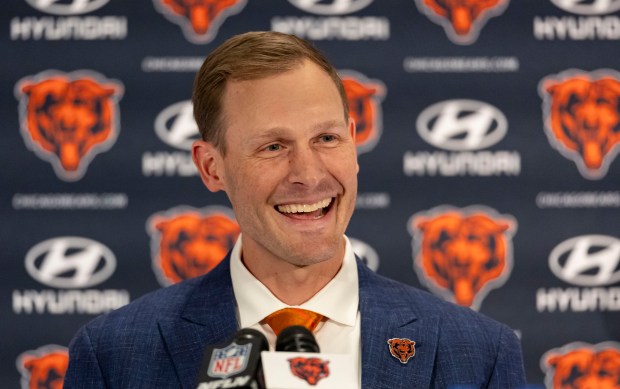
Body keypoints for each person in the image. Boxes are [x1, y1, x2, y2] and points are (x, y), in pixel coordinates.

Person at [64, 31, 527, 388]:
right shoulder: (115, 355)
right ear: (211, 167)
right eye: (272, 146)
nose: (307, 173)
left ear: (352, 138)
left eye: (326, 138)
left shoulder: (479, 352)